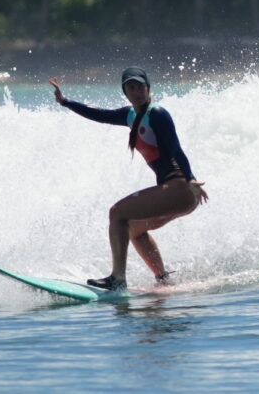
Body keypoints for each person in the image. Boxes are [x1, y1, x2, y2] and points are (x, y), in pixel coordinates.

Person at [49, 67, 208, 292]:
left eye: (140, 86)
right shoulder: (130, 115)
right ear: (125, 92)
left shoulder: (157, 113)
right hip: (176, 192)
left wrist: (191, 179)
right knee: (132, 229)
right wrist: (65, 102)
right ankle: (163, 279)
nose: (137, 92)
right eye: (131, 87)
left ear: (148, 88)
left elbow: (175, 148)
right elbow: (99, 115)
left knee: (117, 213)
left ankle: (117, 279)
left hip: (180, 188)